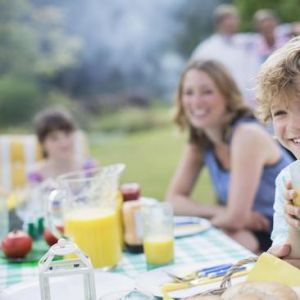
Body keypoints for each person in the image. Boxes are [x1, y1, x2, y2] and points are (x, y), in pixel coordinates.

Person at [166, 59, 293, 252]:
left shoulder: (246, 134)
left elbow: (235, 219)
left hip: (282, 235)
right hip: (249, 232)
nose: (196, 101)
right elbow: (173, 201)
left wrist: (225, 218)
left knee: (225, 239)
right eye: (188, 92)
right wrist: (219, 212)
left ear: (226, 95)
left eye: (207, 92)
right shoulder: (201, 141)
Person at [255, 36, 300, 267]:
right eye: (280, 112)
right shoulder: (289, 180)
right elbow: (289, 257)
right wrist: (293, 230)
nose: (293, 125)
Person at [191, 4, 258, 106]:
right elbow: (194, 76)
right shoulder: (206, 49)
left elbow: (274, 34)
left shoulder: (245, 42)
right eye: (228, 22)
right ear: (218, 24)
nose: (232, 24)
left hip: (248, 103)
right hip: (221, 102)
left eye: (234, 21)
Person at [27, 107, 97, 185]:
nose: (64, 143)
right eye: (54, 138)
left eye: (67, 134)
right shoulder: (36, 175)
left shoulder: (89, 168)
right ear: (42, 143)